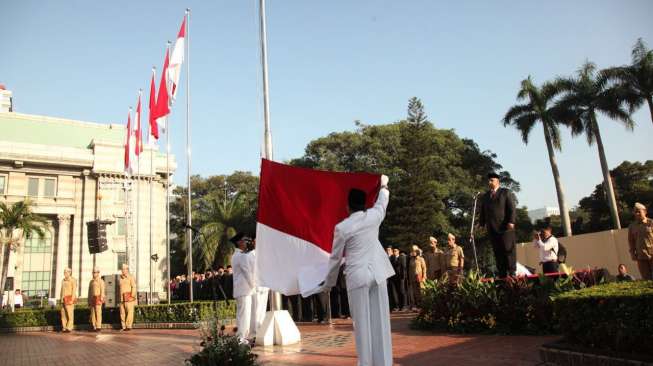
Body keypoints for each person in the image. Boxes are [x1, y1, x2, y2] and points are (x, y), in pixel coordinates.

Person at [321, 174, 394, 366]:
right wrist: (384, 184)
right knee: (381, 323)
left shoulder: (342, 227)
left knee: (362, 325)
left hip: (357, 276)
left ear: (348, 206)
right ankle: (384, 363)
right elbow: (382, 201)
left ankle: (366, 363)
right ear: (364, 204)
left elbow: (335, 259)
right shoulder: (374, 216)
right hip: (378, 273)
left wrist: (328, 283)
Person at [479, 172, 517, 277]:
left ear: (498, 182)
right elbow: (483, 211)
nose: (489, 182)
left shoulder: (505, 192)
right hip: (492, 229)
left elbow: (512, 208)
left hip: (505, 228)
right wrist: (481, 224)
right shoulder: (486, 196)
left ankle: (512, 272)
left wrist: (511, 221)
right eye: (489, 180)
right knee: (497, 252)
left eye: (492, 180)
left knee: (508, 250)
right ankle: (502, 273)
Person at [230, 232, 256, 342]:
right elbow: (247, 273)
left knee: (242, 315)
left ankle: (241, 338)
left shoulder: (235, 255)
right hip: (245, 290)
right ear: (239, 242)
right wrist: (254, 286)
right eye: (244, 240)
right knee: (244, 316)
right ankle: (241, 339)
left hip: (241, 290)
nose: (246, 242)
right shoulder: (241, 256)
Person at [247, 237, 269, 338]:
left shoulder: (265, 254)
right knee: (256, 310)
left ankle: (261, 329)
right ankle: (254, 332)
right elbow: (251, 271)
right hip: (256, 286)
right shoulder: (251, 254)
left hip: (265, 285)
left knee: (262, 309)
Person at [628, 202, 653, 280]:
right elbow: (631, 241)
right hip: (641, 256)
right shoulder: (632, 226)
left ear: (645, 211)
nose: (637, 213)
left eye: (639, 211)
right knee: (646, 279)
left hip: (652, 254)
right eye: (635, 212)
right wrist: (632, 253)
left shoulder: (651, 223)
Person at [119, 263, 137, 331]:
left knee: (130, 312)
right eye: (122, 269)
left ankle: (128, 326)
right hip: (121, 299)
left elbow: (134, 287)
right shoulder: (120, 278)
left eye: (124, 269)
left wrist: (132, 296)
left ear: (127, 270)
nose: (122, 270)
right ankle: (123, 326)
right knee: (122, 313)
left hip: (129, 298)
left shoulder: (131, 277)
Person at [408, 245, 426, 310]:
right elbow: (410, 270)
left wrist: (424, 277)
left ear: (417, 251)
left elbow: (424, 268)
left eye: (415, 251)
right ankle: (418, 305)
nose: (413, 252)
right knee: (416, 292)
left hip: (420, 277)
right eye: (413, 251)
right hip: (413, 278)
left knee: (422, 292)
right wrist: (410, 279)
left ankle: (424, 305)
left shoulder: (421, 259)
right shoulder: (411, 259)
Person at [88, 267, 105, 332]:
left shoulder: (101, 281)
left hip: (98, 298)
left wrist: (102, 298)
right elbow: (89, 292)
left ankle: (98, 326)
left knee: (98, 313)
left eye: (95, 272)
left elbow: (102, 290)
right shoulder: (91, 281)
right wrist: (89, 300)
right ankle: (94, 326)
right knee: (93, 313)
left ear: (98, 273)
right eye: (93, 272)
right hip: (92, 299)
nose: (94, 274)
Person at [60, 268, 77, 333]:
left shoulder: (73, 280)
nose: (64, 273)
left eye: (66, 272)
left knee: (70, 314)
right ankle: (64, 327)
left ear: (70, 273)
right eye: (64, 272)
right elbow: (61, 291)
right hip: (63, 299)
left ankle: (69, 328)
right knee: (63, 315)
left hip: (69, 299)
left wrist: (72, 300)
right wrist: (61, 299)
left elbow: (74, 290)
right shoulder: (63, 280)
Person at [385, 246, 398, 311]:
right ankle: (390, 306)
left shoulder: (393, 257)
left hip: (392, 277)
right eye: (387, 250)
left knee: (394, 291)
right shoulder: (385, 257)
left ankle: (396, 305)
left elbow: (395, 266)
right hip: (387, 277)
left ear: (392, 251)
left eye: (389, 250)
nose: (388, 251)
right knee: (389, 292)